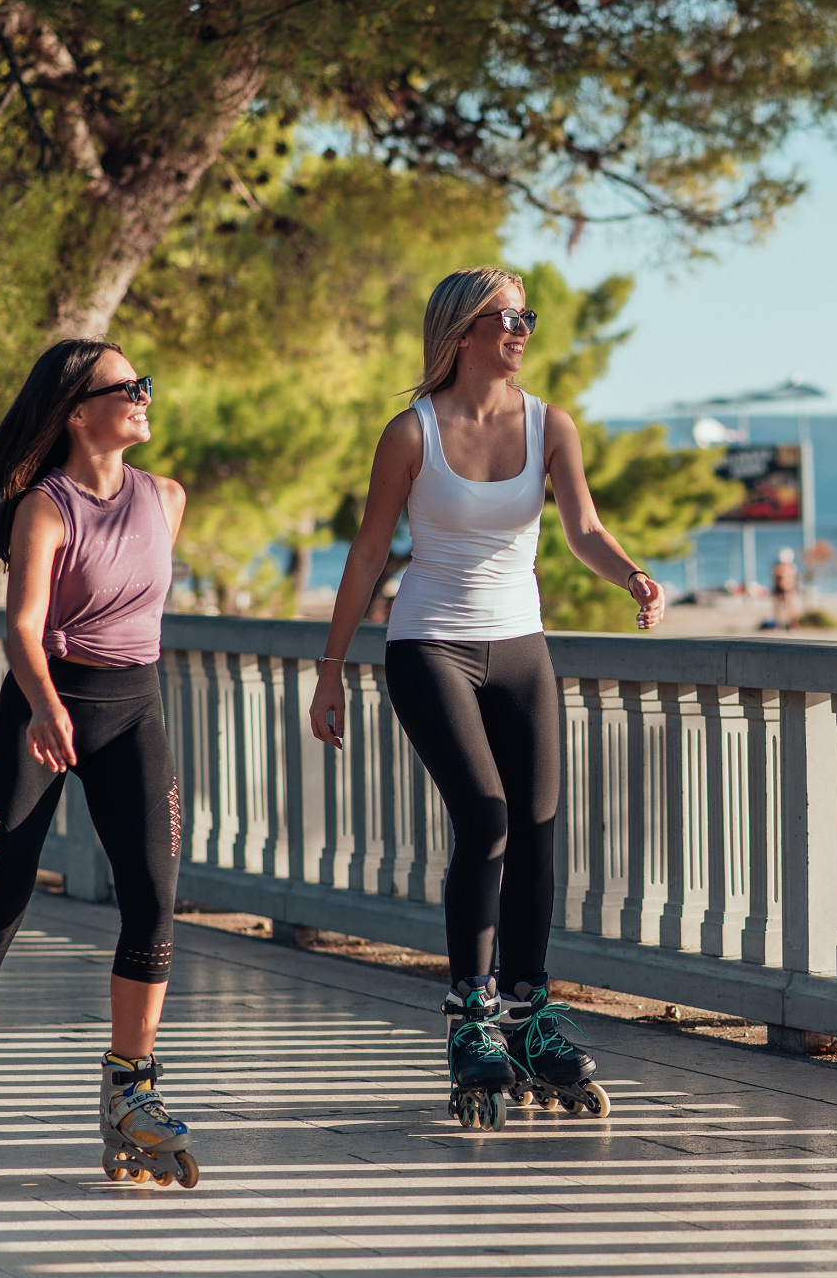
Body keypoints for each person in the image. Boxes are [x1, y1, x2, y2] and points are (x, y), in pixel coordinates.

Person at [307, 266, 665, 1131]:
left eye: (526, 317)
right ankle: (474, 1019)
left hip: (520, 647)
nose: (522, 330)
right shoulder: (411, 433)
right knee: (488, 818)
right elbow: (365, 555)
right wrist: (330, 669)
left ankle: (532, 1017)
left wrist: (631, 574)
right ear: (463, 331)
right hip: (428, 644)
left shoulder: (550, 425)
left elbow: (579, 526)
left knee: (538, 828)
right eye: (506, 317)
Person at [0, 340, 195, 1189]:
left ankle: (131, 1089)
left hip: (134, 709)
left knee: (154, 899)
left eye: (145, 383)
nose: (145, 395)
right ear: (76, 410)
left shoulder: (167, 498)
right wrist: (46, 702)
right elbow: (24, 627)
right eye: (127, 387)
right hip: (42, 709)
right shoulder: (45, 508)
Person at [770, 546, 799, 631]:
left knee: (789, 606)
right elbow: (775, 576)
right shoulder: (778, 567)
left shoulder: (790, 567)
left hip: (787, 588)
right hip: (779, 588)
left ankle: (793, 624)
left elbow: (792, 578)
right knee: (778, 606)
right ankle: (779, 623)